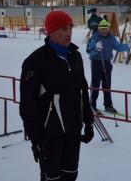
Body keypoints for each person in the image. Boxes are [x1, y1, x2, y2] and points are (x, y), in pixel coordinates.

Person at [20, 10, 94, 181]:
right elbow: (27, 104)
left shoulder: (75, 56)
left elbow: (82, 91)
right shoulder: (35, 61)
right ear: (50, 31)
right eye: (63, 28)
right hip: (50, 136)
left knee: (70, 175)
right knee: (52, 178)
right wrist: (36, 139)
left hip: (74, 131)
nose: (68, 32)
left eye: (70, 28)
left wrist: (89, 122)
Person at [87, 19, 131, 114]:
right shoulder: (94, 37)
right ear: (99, 29)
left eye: (106, 28)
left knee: (107, 85)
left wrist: (127, 46)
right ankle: (92, 105)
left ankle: (108, 105)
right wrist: (95, 48)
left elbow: (118, 47)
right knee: (96, 85)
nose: (105, 30)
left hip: (107, 63)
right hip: (96, 62)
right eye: (103, 29)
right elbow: (89, 50)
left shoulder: (111, 37)